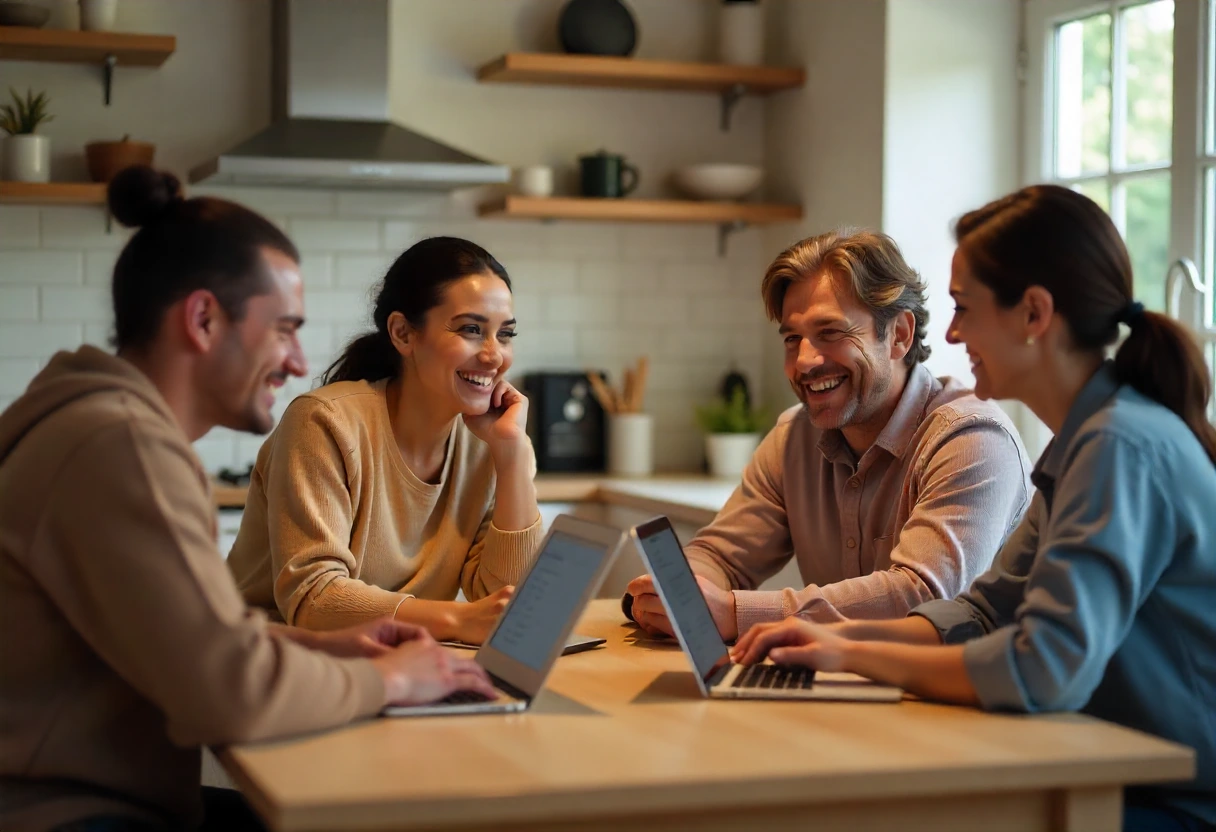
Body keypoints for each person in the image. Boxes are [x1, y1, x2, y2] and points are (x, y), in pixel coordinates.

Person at [0, 167, 495, 832]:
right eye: (283, 329)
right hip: (66, 815)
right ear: (203, 319)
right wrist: (394, 681)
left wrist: (336, 649)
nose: (296, 361)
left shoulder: (98, 424)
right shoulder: (123, 447)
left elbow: (190, 638)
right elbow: (229, 694)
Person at [731, 186, 1216, 832]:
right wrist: (830, 636)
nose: (952, 333)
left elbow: (1042, 670)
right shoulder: (1085, 440)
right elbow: (984, 610)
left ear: (1033, 315)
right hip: (1106, 772)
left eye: (964, 308)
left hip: (1172, 803)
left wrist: (849, 656)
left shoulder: (1118, 445)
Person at [626, 230, 1032, 640]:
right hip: (852, 689)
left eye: (831, 333)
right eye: (792, 339)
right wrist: (679, 591)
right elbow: (720, 556)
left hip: (968, 700)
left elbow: (923, 597)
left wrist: (736, 613)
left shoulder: (972, 440)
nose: (804, 361)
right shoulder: (793, 439)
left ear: (899, 335)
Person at [227, 237, 544, 644]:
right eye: (470, 329)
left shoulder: (491, 441)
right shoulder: (324, 423)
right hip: (265, 661)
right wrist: (457, 621)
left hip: (394, 661)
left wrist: (513, 456)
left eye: (505, 334)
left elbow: (505, 602)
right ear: (402, 333)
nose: (494, 355)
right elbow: (313, 598)